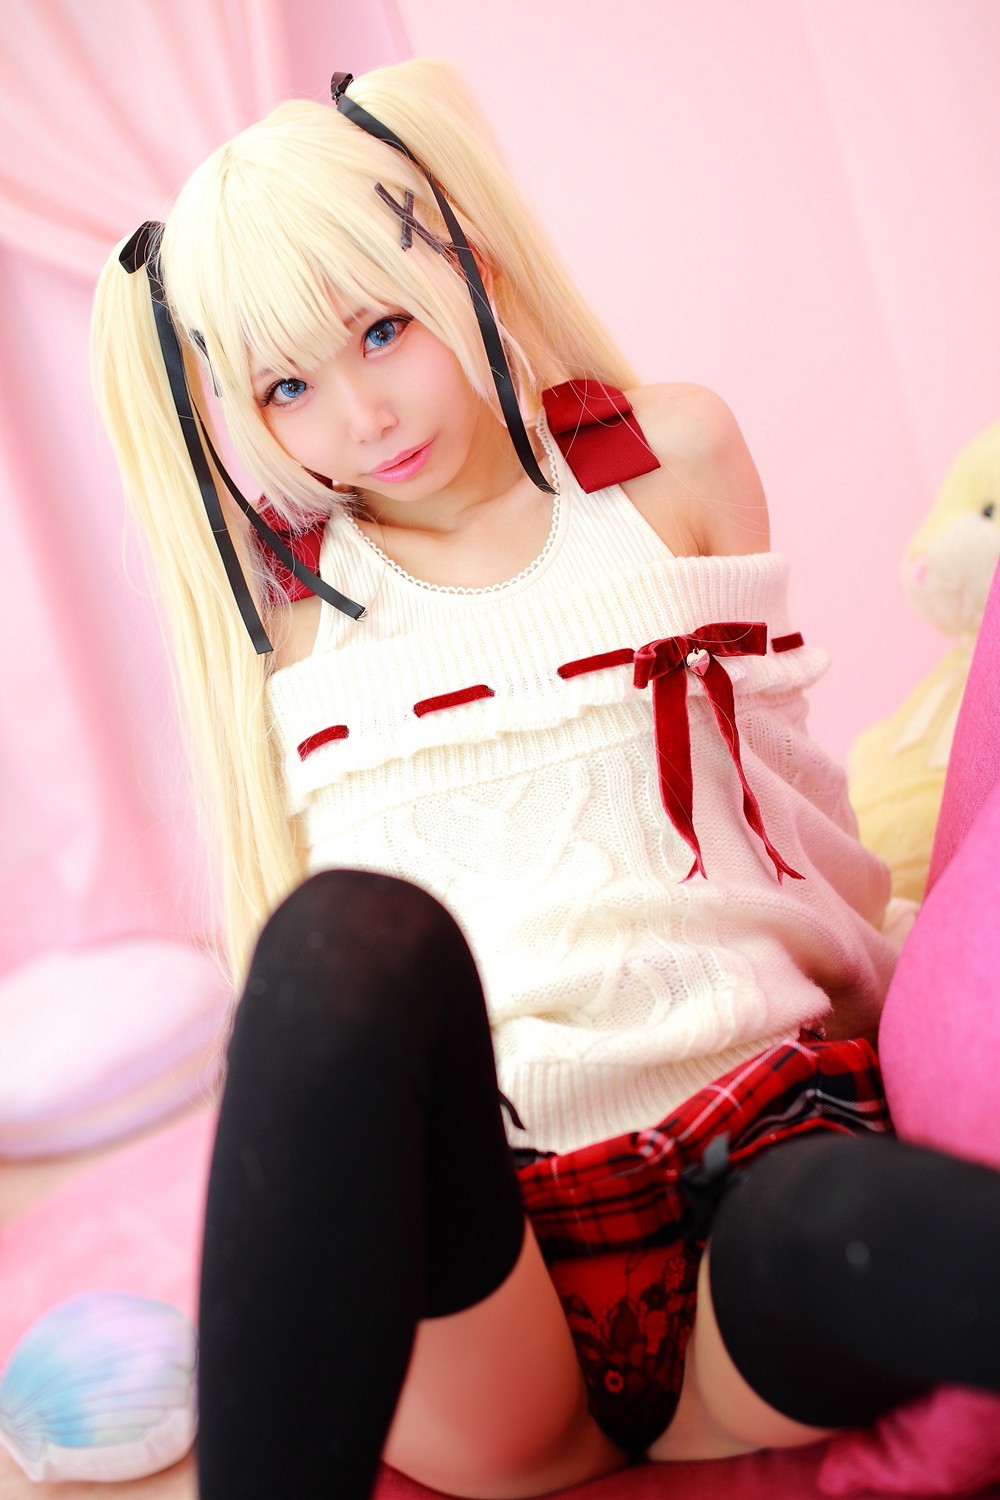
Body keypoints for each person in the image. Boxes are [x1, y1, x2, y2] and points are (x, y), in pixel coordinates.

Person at [91, 58, 1000, 1500]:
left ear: (470, 262)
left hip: (759, 1185)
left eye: (384, 327)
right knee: (343, 938)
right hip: (489, 1285)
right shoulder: (285, 619)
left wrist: (880, 978)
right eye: (287, 388)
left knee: (938, 1236)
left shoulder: (665, 462)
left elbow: (780, 783)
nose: (363, 414)